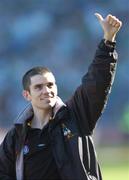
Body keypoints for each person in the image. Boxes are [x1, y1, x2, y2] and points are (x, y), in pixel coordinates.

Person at [0, 13, 122, 180]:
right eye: (38, 87)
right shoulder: (16, 136)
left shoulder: (75, 117)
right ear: (27, 95)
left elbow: (96, 85)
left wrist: (108, 41)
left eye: (50, 85)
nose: (46, 90)